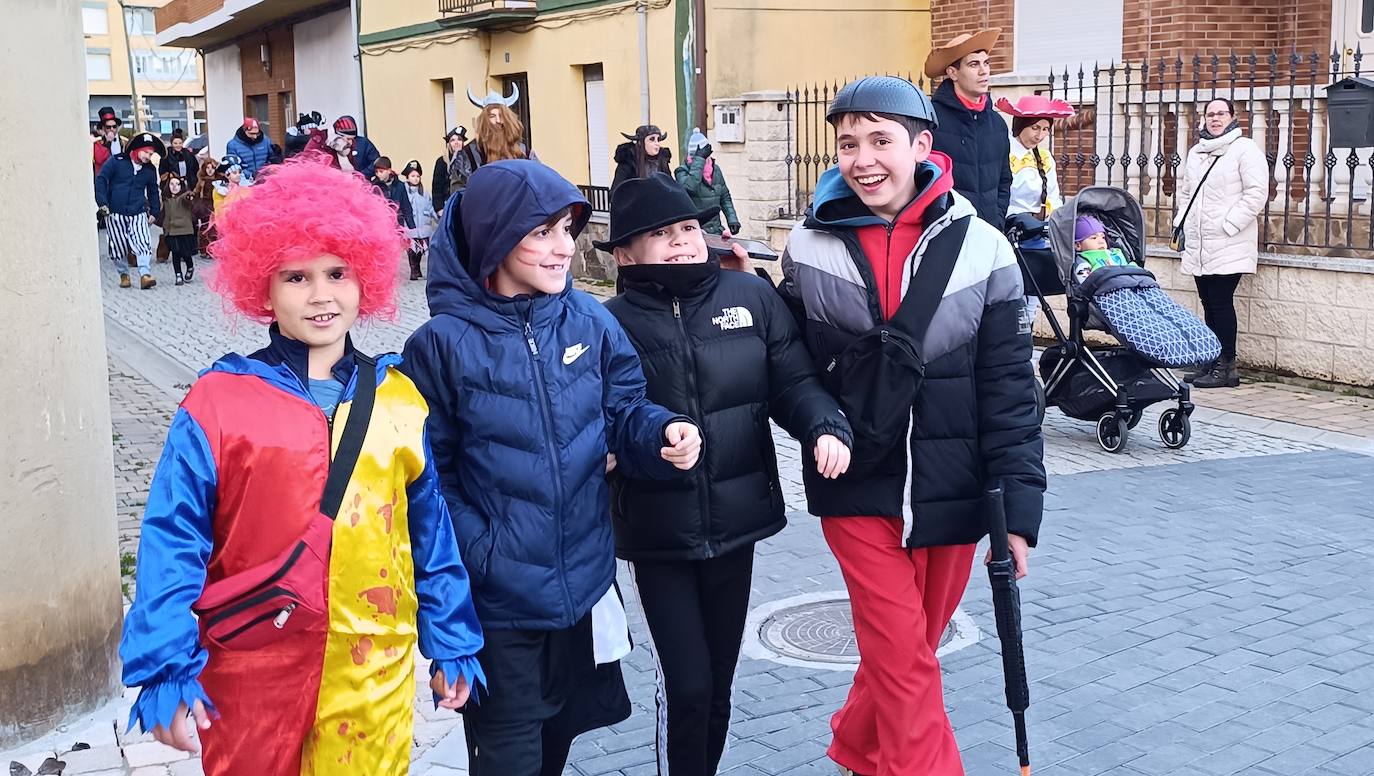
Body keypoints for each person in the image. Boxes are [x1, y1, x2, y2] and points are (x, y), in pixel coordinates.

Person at [118, 159, 486, 776]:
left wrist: (451, 638)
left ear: (365, 276)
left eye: (338, 273)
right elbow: (173, 535)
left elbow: (428, 531)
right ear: (262, 287)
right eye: (297, 277)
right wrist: (164, 664)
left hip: (372, 671)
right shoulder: (218, 403)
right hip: (251, 667)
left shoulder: (397, 399)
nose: (322, 295)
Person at [778, 76, 1045, 776]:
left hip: (953, 491)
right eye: (847, 143)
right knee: (904, 664)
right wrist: (818, 422)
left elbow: (1012, 389)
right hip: (855, 483)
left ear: (922, 145)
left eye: (880, 140)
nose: (863, 159)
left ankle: (855, 747)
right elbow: (789, 369)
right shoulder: (806, 249)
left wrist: (1017, 511)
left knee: (907, 651)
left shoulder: (986, 248)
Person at [400, 159, 702, 776]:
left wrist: (660, 433)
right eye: (542, 232)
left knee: (557, 744)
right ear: (492, 237)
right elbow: (429, 477)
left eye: (568, 228)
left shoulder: (589, 320)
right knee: (509, 756)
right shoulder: (440, 344)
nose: (565, 247)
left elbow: (624, 409)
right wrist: (485, 549)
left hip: (581, 593)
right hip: (498, 608)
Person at [599, 174, 853, 776]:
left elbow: (792, 381)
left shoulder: (750, 298)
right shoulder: (607, 323)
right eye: (659, 234)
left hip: (737, 522)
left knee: (718, 682)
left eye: (687, 227)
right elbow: (604, 416)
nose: (681, 242)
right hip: (658, 531)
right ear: (624, 254)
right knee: (686, 687)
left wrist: (824, 426)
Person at [1173, 97, 1267, 390]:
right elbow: (1186, 193)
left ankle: (1227, 365)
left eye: (1221, 114)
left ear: (1232, 117)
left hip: (1229, 240)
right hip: (1200, 241)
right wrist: (1181, 223)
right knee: (1208, 303)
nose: (1215, 118)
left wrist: (1229, 224)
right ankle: (1212, 359)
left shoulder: (1244, 149)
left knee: (1221, 302)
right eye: (1210, 114)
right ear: (1203, 119)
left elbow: (1256, 192)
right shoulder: (1196, 152)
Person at [926, 28, 1012, 230]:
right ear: (953, 72)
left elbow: (1004, 180)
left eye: (986, 63)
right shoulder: (931, 121)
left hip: (989, 232)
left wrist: (997, 219)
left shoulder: (997, 123)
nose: (984, 71)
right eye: (974, 64)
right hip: (946, 233)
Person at [997, 94, 1076, 316]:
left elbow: (1053, 194)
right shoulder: (1004, 151)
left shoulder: (1044, 156)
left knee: (1034, 292)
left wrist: (1053, 222)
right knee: (1012, 289)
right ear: (1020, 125)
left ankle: (1027, 331)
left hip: (1036, 233)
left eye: (1045, 129)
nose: (1039, 135)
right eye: (1035, 128)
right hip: (1010, 231)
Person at [96, 132, 165, 290]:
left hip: (138, 211)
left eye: (151, 153)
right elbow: (101, 179)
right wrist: (102, 202)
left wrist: (154, 212)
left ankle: (145, 274)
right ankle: (123, 274)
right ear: (137, 149)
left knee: (143, 242)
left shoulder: (148, 169)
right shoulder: (117, 161)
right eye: (147, 152)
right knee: (118, 245)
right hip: (114, 211)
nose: (149, 156)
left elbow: (153, 190)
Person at [450, 87, 534, 189]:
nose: (498, 120)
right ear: (484, 121)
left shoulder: (523, 152)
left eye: (501, 115)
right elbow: (458, 194)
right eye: (492, 116)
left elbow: (538, 182)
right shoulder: (467, 155)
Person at [674, 129, 740, 236]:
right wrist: (699, 159)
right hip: (696, 232)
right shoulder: (682, 171)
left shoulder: (716, 169)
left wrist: (732, 220)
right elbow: (690, 187)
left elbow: (725, 197)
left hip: (716, 230)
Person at [158, 173, 197, 285]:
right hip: (171, 230)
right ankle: (178, 275)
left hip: (184, 230)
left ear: (181, 186)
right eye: (172, 184)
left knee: (185, 253)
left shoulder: (183, 197)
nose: (174, 187)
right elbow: (162, 214)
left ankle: (190, 267)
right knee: (175, 253)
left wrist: (190, 195)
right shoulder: (166, 200)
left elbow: (189, 197)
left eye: (177, 184)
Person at [403, 160, 439, 281]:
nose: (416, 178)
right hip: (411, 226)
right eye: (413, 176)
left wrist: (437, 217)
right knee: (412, 249)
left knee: (423, 250)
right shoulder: (404, 192)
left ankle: (418, 268)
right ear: (407, 177)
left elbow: (430, 206)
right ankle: (413, 269)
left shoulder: (424, 193)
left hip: (424, 225)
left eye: (418, 176)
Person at [1071, 215, 1131, 284]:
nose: (1101, 241)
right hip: (1108, 288)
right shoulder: (1084, 260)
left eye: (1103, 237)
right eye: (1094, 238)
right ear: (1078, 245)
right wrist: (1101, 269)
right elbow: (1086, 284)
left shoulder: (1116, 252)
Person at [611, 125, 672, 193]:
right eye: (652, 139)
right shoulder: (629, 161)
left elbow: (670, 186)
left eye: (658, 139)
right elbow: (616, 191)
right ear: (640, 142)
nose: (657, 143)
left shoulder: (662, 160)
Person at [369, 157, 416, 233]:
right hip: (380, 227)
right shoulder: (374, 186)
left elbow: (406, 209)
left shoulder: (400, 185)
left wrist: (413, 229)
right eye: (376, 172)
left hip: (397, 226)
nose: (378, 174)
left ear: (389, 171)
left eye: (381, 171)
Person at [432, 126, 467, 216]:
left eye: (459, 139)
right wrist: (439, 208)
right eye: (453, 140)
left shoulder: (469, 160)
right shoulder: (442, 161)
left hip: (466, 202)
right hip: (448, 203)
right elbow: (437, 187)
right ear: (449, 144)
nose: (456, 142)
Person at [225, 118, 271, 182]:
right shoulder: (233, 145)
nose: (255, 136)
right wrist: (250, 175)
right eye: (251, 134)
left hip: (265, 179)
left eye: (256, 133)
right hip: (245, 182)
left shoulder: (266, 141)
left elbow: (271, 159)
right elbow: (234, 167)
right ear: (244, 131)